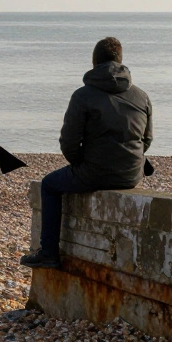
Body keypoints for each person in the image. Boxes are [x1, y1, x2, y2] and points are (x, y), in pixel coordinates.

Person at [20, 36, 152, 269]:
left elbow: (69, 143)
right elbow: (147, 139)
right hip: (132, 174)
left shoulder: (82, 96)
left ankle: (49, 252)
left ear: (94, 63)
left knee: (49, 185)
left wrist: (82, 166)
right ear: (121, 61)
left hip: (94, 173)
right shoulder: (142, 96)